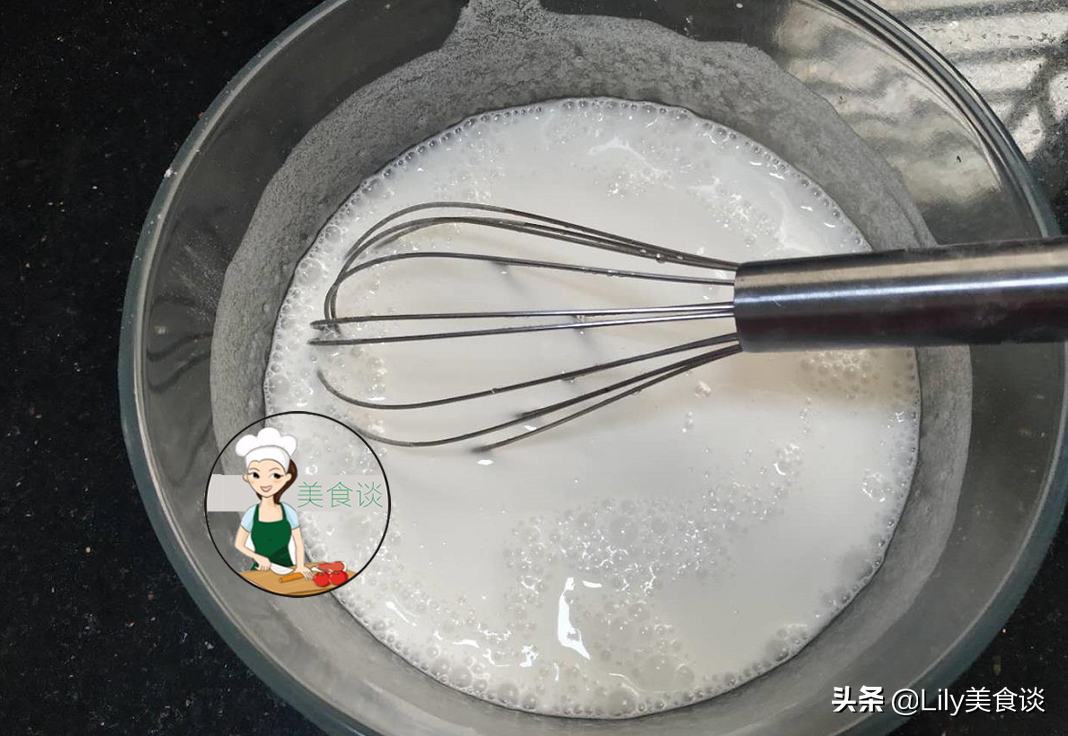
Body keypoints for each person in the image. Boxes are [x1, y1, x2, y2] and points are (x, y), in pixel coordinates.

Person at [232, 427, 313, 579]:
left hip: (287, 570)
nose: (265, 482)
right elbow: (239, 544)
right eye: (256, 474)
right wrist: (257, 557)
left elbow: (298, 543)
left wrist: (300, 566)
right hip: (260, 572)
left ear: (286, 478)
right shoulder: (252, 513)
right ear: (247, 477)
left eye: (275, 475)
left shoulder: (288, 512)